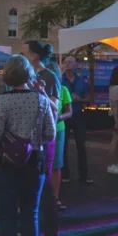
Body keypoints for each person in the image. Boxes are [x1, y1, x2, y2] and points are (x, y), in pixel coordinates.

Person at [0, 54, 56, 236]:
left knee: (7, 219)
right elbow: (50, 134)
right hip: (34, 163)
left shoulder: (3, 101)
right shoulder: (40, 99)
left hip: (6, 165)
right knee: (30, 215)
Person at [22, 42, 61, 236]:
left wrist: (42, 93)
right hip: (28, 137)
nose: (23, 54)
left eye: (26, 52)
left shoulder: (48, 76)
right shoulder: (26, 75)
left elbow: (56, 108)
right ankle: (29, 231)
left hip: (45, 139)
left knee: (45, 186)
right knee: (29, 185)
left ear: (35, 56)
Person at [46, 60, 72, 212]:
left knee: (56, 164)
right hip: (42, 129)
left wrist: (60, 117)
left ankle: (55, 197)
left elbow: (69, 112)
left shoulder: (62, 90)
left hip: (58, 129)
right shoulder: (37, 89)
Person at [61, 56, 91, 184]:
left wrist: (80, 99)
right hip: (65, 115)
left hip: (78, 114)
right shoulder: (59, 80)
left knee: (81, 145)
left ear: (75, 65)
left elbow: (88, 98)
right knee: (63, 146)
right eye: (65, 62)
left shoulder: (81, 81)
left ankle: (83, 176)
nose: (67, 64)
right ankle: (64, 175)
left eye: (70, 62)